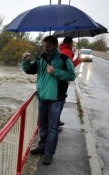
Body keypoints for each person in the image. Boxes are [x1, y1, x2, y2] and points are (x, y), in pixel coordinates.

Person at [21, 35, 76, 165]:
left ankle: (49, 153)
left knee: (52, 128)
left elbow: (72, 75)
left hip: (56, 99)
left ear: (55, 45)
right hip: (43, 97)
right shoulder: (41, 59)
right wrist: (26, 61)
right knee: (42, 125)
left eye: (48, 46)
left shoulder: (63, 59)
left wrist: (55, 71)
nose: (45, 48)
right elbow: (29, 70)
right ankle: (42, 146)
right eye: (44, 46)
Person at [57, 37, 82, 131]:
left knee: (59, 102)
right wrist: (78, 60)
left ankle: (57, 121)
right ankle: (55, 124)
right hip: (63, 80)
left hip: (60, 79)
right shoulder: (67, 51)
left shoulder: (62, 49)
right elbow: (70, 68)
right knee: (60, 102)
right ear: (70, 43)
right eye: (72, 43)